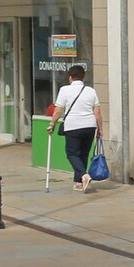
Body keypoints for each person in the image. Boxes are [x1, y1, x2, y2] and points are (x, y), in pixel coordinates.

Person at [48, 62, 104, 192]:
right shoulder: (91, 91)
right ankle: (79, 183)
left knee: (72, 154)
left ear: (70, 77)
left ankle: (84, 175)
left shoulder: (64, 90)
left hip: (73, 126)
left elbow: (58, 110)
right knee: (83, 154)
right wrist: (100, 129)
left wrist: (52, 124)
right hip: (90, 126)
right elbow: (97, 112)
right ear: (83, 77)